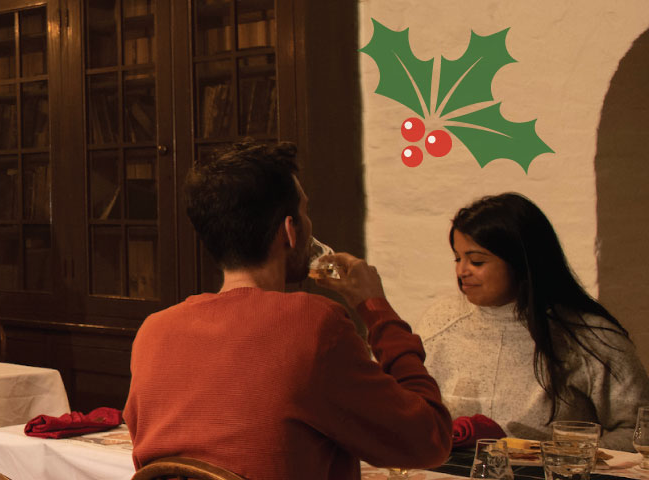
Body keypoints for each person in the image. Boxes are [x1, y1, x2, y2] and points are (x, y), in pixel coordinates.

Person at [123, 141, 451, 479]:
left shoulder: (153, 330)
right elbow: (429, 440)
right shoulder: (312, 323)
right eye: (306, 212)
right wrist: (376, 309)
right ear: (290, 231)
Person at [411, 193, 649, 449]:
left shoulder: (588, 335)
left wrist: (568, 455)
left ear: (522, 262)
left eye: (476, 261)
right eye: (458, 258)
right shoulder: (439, 323)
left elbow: (639, 428)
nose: (461, 271)